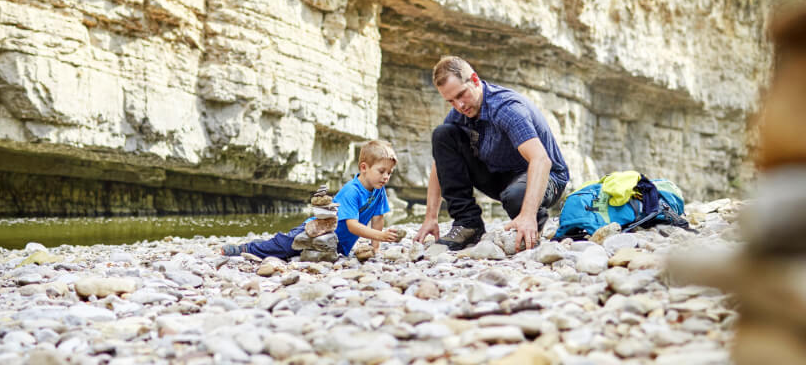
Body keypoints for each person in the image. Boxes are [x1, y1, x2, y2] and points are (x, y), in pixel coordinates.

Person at [414, 56, 570, 251]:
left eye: (461, 95)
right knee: (443, 135)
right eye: (451, 101)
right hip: (501, 176)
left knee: (515, 197)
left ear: (475, 80)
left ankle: (533, 220)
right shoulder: (460, 114)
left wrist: (528, 214)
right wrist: (430, 218)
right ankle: (468, 224)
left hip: (547, 177)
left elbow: (541, 160)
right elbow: (441, 164)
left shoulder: (507, 108)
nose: (459, 105)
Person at [221, 140, 401, 259]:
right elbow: (352, 225)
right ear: (364, 167)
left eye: (389, 173)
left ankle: (262, 246)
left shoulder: (379, 190)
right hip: (315, 231)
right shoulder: (352, 191)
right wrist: (382, 236)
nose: (386, 177)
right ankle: (244, 249)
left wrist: (375, 247)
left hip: (337, 245)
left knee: (300, 255)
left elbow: (378, 218)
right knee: (285, 247)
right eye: (381, 171)